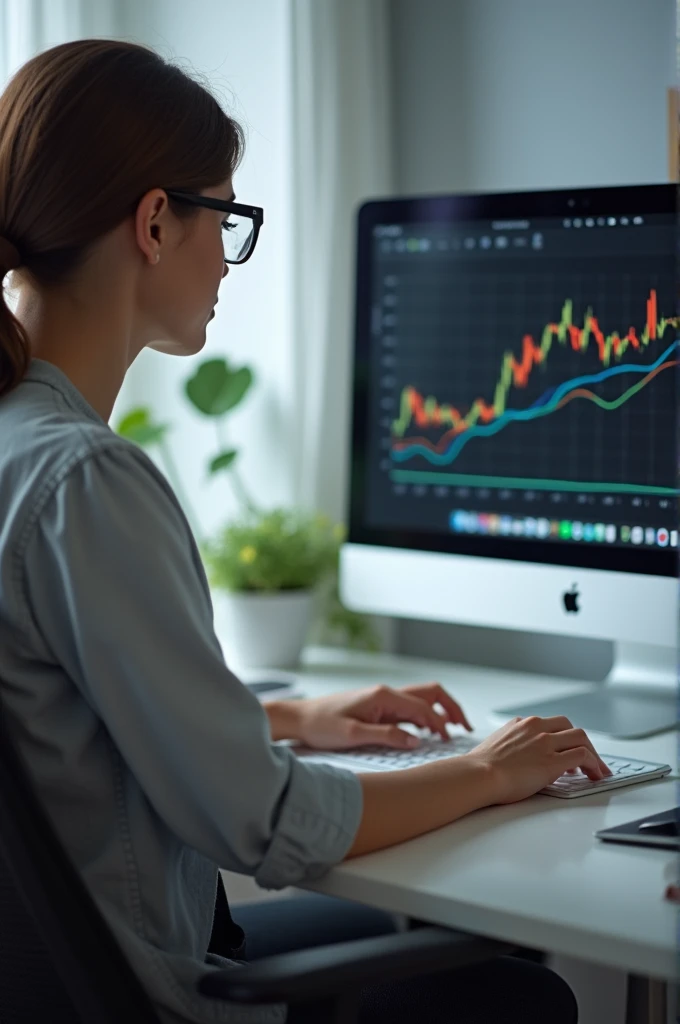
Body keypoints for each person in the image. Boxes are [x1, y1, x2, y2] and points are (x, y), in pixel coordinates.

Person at [0, 39, 610, 1024]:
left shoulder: (18, 447)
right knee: (515, 991)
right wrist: (487, 768)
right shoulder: (84, 480)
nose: (229, 260)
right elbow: (269, 822)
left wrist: (289, 717)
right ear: (155, 221)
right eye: (227, 220)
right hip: (164, 991)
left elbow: (68, 718)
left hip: (81, 978)